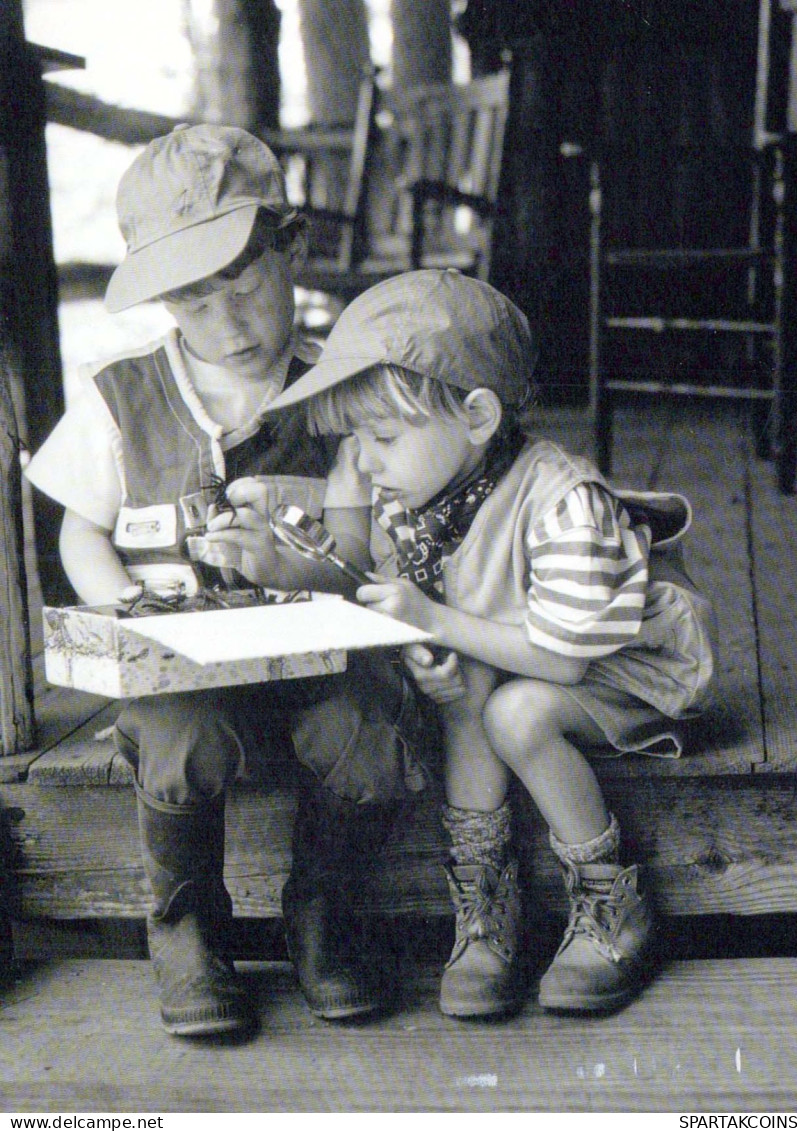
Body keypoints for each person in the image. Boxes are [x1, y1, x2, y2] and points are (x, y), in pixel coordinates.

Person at [24, 125, 424, 1038]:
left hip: (319, 659)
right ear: (165, 303)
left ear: (295, 248)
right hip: (186, 670)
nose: (231, 324)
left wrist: (317, 555)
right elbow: (80, 524)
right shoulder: (125, 397)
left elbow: (376, 547)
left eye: (247, 288)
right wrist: (120, 611)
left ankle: (321, 915)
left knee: (368, 730)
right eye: (197, 304)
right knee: (174, 733)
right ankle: (188, 931)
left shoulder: (341, 386)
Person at [267, 268, 718, 1018]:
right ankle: (485, 910)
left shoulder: (563, 501)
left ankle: (612, 903)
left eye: (381, 436)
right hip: (522, 651)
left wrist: (439, 623)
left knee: (515, 713)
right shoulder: (425, 492)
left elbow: (566, 655)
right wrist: (429, 645)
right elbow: (456, 606)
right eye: (356, 440)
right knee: (473, 689)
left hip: (623, 664)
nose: (366, 462)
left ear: (477, 415)